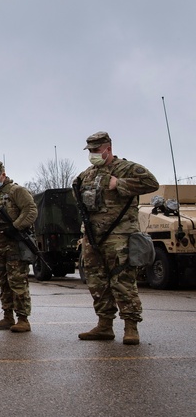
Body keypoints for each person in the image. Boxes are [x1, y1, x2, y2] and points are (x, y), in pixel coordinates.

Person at [73, 131, 160, 345]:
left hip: (119, 236)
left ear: (108, 148)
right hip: (93, 238)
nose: (93, 154)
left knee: (122, 282)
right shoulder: (87, 174)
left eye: (96, 150)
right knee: (97, 282)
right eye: (90, 151)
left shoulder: (126, 168)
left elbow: (151, 183)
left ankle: (131, 327)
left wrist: (120, 184)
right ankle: (104, 325)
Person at [0, 159, 37, 333]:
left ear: (3, 174)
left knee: (17, 282)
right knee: (3, 282)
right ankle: (7, 316)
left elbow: (30, 211)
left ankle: (23, 318)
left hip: (14, 245)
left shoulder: (16, 191)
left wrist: (15, 227)